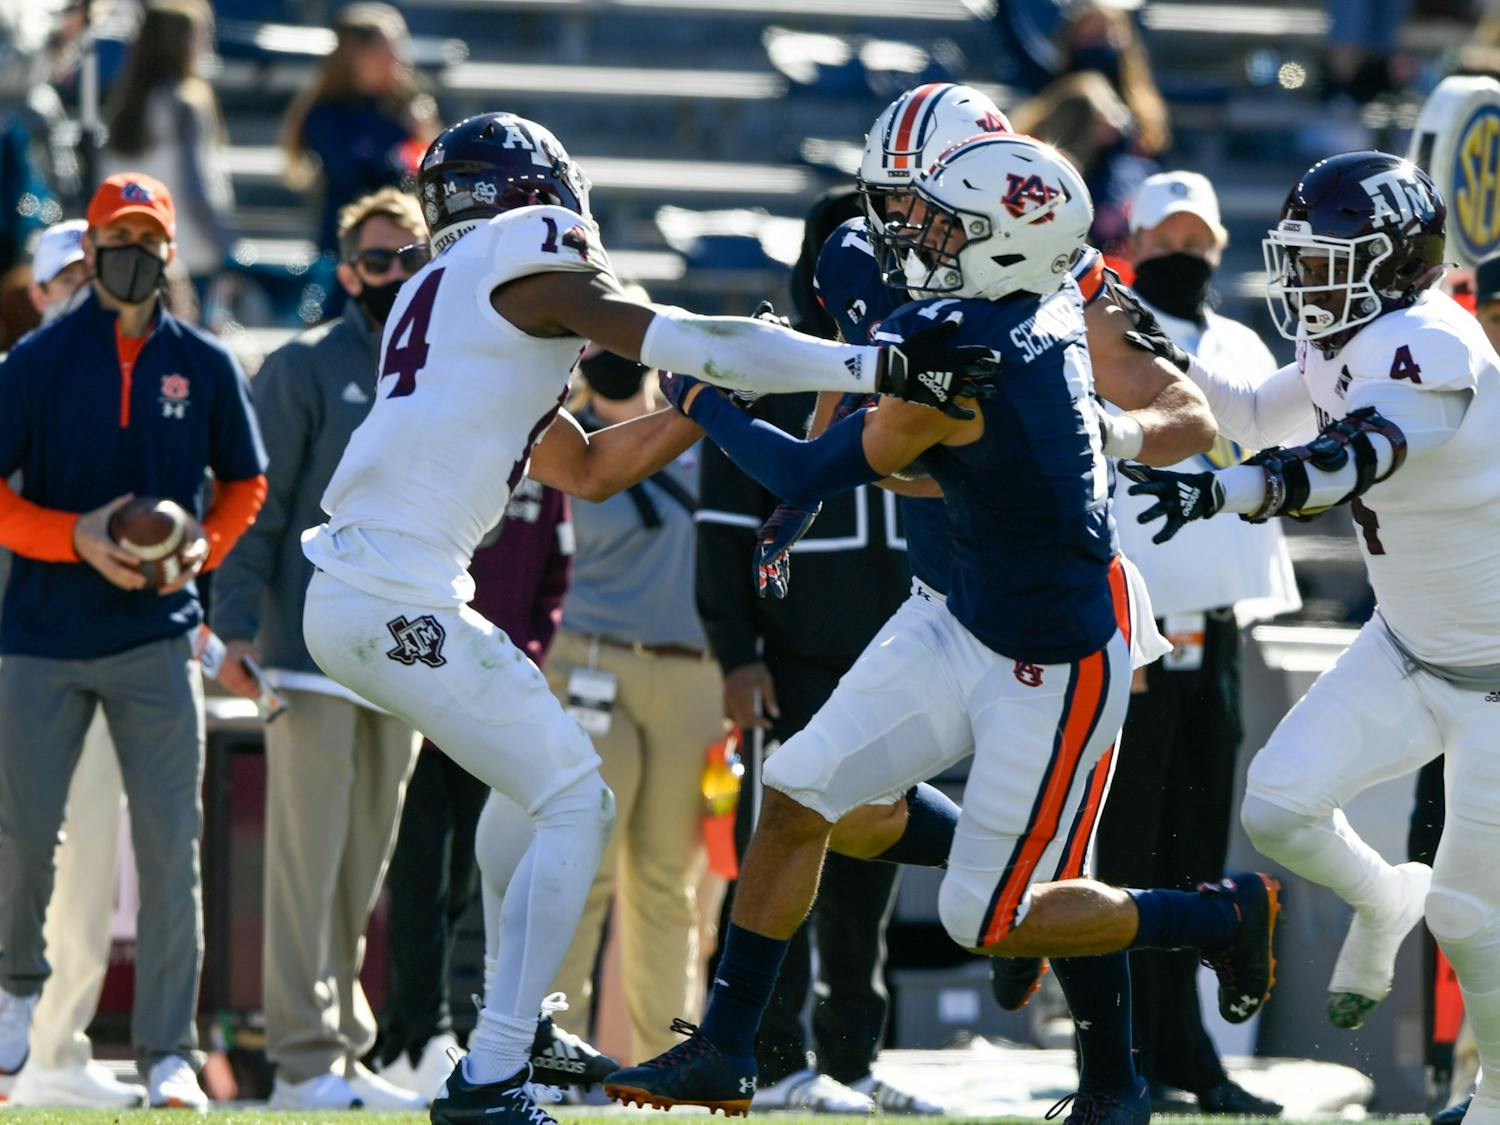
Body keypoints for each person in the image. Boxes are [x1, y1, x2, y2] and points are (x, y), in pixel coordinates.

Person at [297, 110, 993, 1125]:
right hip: (388, 590)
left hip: (378, 589)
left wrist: (696, 404)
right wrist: (871, 367)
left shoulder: (448, 299)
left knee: (525, 790)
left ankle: (516, 1023)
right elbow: (681, 336)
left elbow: (586, 467)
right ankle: (493, 1071)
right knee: (577, 798)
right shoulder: (525, 254)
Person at [604, 133, 1279, 1125]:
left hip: (1051, 657)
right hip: (952, 610)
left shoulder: (972, 351)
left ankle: (1217, 914)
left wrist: (704, 399)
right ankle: (726, 1049)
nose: (918, 233)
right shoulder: (1026, 299)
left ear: (1007, 235)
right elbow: (856, 386)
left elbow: (807, 465)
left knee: (989, 920)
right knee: (796, 793)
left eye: (940, 220)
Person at [1120, 151, 1500, 1125]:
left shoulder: (1432, 341)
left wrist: (1232, 491)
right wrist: (1133, 326)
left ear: (1394, 262)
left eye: (1329, 259)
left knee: (1468, 916)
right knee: (1278, 811)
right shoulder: (1350, 340)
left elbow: (1350, 458)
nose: (1305, 280)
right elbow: (1245, 418)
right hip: (1409, 648)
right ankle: (1382, 899)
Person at [0, 171, 267, 1109]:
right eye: (121, 236)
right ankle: (15, 990)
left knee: (170, 848)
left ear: (169, 251)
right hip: (40, 636)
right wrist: (71, 536)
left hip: (157, 634)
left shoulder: (204, 361)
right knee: (25, 833)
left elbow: (245, 484)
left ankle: (167, 1051)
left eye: (153, 239)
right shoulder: (32, 363)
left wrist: (200, 552)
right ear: (93, 247)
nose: (138, 254)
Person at [696, 188, 924, 1117]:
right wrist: (735, 654)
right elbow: (720, 529)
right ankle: (770, 1052)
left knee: (873, 857)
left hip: (901, 657)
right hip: (791, 663)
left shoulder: (922, 363)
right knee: (779, 850)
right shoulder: (770, 368)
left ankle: (852, 1056)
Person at [209, 187, 432, 1112]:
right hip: (306, 652)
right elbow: (254, 507)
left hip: (408, 657)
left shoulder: (440, 372)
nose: (394, 275)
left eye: (410, 259)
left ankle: (342, 1048)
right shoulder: (301, 368)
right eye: (378, 261)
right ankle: (301, 1057)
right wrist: (229, 626)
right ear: (347, 273)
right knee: (307, 861)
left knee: (362, 867)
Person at [1095, 171, 1299, 1116]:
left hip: (1211, 628)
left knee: (1195, 839)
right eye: (1164, 235)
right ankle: (1118, 1055)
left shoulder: (1242, 345)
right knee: (1125, 846)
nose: (1184, 250)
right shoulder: (1109, 339)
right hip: (1128, 629)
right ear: (1136, 241)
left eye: (1197, 235)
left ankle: (1188, 1052)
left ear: (1218, 244)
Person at [542, 343, 726, 1066]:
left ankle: (665, 1059)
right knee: (581, 866)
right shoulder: (560, 438)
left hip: (690, 673)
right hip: (589, 661)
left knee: (666, 878)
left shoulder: (693, 438)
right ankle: (549, 1051)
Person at [1, 218, 139, 1110]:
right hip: (19, 656)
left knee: (89, 855)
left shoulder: (130, 394)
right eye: (64, 279)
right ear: (38, 292)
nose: (78, 292)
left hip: (90, 653)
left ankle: (56, 1049)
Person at [377, 473, 573, 1101]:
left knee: (464, 881)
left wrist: (523, 657)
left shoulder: (550, 462)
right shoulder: (447, 442)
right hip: (418, 695)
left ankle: (441, 1035)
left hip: (492, 705)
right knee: (413, 880)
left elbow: (555, 576)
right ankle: (412, 1035)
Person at [99, 0, 235, 312]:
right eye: (200, 35)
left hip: (132, 252)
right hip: (190, 255)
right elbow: (197, 186)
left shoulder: (124, 104)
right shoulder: (186, 103)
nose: (207, 44)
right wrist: (227, 244)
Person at [280, 3, 438, 255]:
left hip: (406, 243)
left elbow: (424, 176)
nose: (401, 59)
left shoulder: (404, 106)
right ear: (358, 57)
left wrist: (424, 135)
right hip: (348, 247)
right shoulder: (326, 113)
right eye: (389, 50)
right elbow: (356, 174)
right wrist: (405, 133)